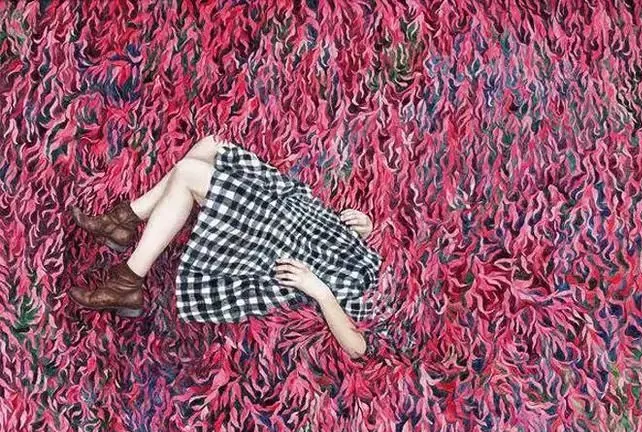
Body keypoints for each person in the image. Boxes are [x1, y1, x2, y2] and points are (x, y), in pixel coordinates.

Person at [68, 133, 396, 362]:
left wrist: (320, 291)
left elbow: (359, 347)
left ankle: (127, 280)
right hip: (305, 214)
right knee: (211, 145)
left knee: (189, 174)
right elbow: (378, 255)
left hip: (287, 245)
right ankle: (124, 222)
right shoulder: (403, 277)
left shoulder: (397, 319)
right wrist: (366, 227)